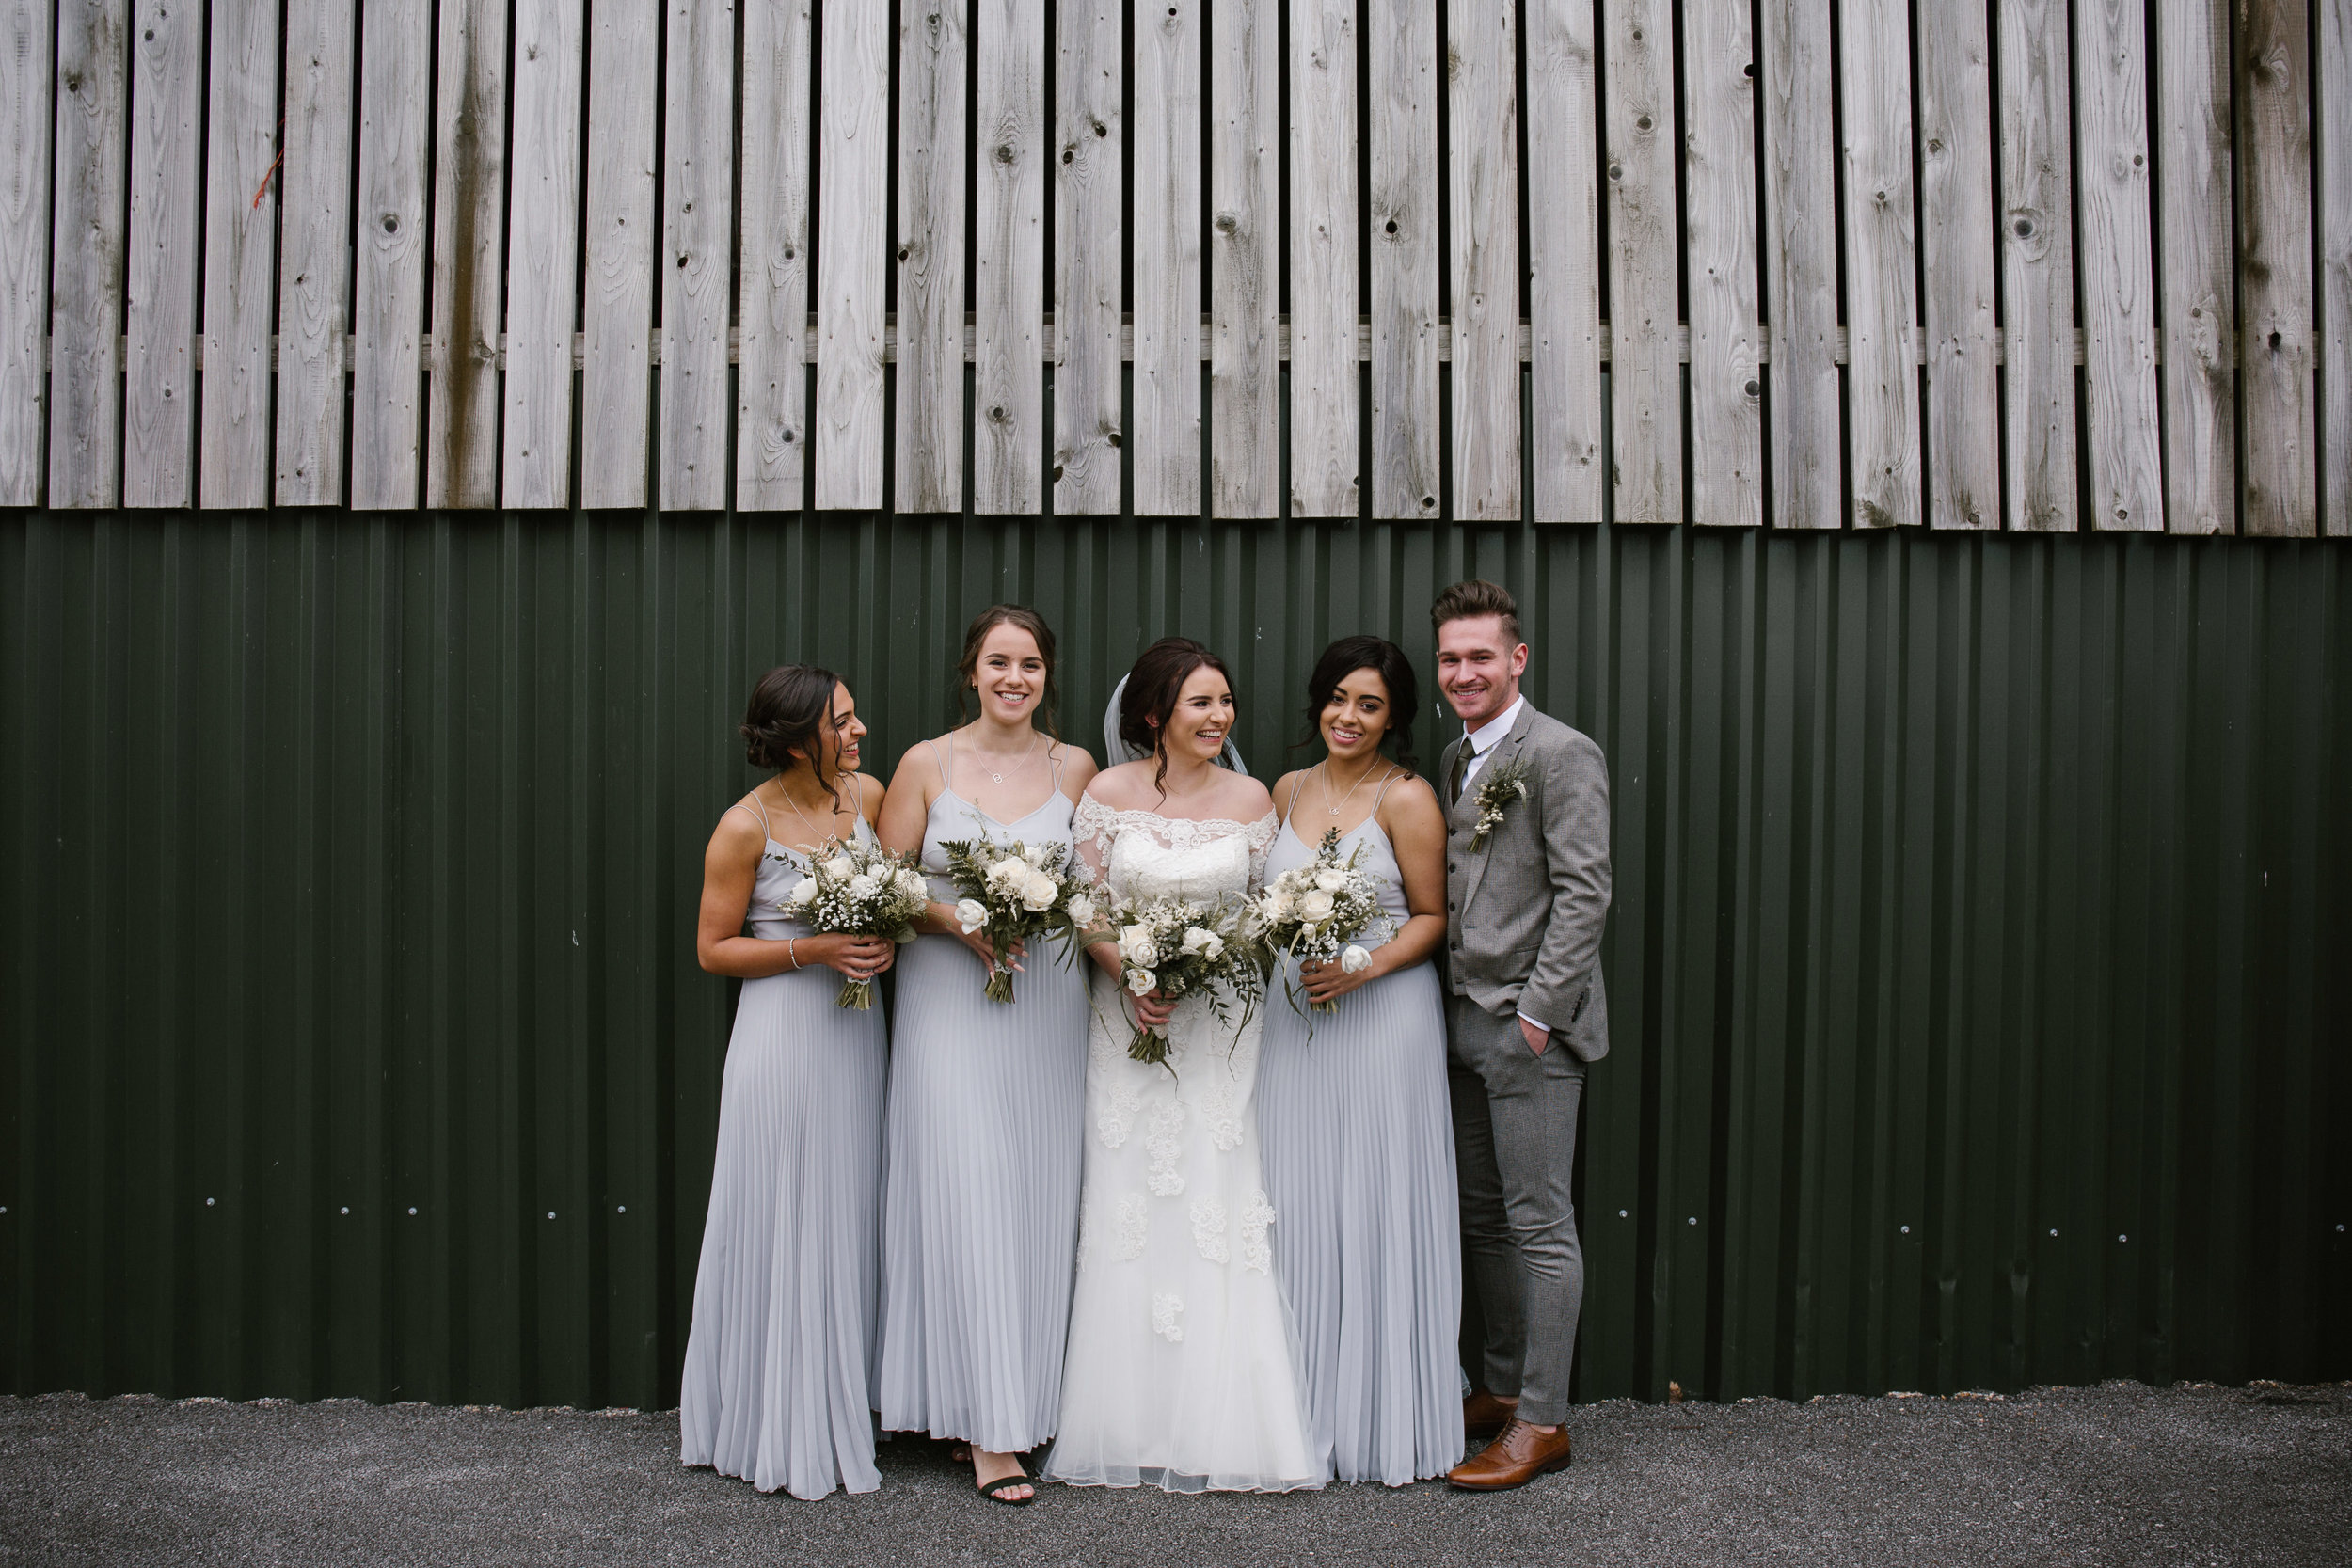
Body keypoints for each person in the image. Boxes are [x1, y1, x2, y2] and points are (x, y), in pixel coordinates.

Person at [1042, 638, 1324, 1493]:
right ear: (1156, 711)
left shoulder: (1252, 799)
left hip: (1220, 1032)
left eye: (1226, 702)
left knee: (1215, 1194)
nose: (1219, 717)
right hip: (1125, 1025)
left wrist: (1205, 963)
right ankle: (1124, 1418)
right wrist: (1127, 969)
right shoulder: (1106, 792)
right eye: (1201, 702)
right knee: (1128, 1199)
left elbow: (1261, 913)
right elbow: (1082, 903)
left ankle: (1226, 1420)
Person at [875, 607, 1097, 1506]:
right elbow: (886, 883)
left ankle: (1030, 1396)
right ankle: (983, 1423)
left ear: (1048, 674)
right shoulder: (927, 763)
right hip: (948, 1001)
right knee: (963, 1190)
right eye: (999, 662)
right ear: (971, 670)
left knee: (1036, 1194)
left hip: (1046, 1001)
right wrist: (958, 918)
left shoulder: (1075, 766)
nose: (1016, 677)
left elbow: (1092, 889)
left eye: (1031, 663)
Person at [679, 666, 898, 1499]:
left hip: (855, 1034)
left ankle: (845, 1396)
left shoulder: (867, 796)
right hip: (783, 1037)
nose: (859, 732)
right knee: (785, 1209)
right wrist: (815, 948)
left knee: (841, 1206)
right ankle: (777, 1414)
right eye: (843, 721)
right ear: (799, 734)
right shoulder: (744, 827)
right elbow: (713, 949)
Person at [1258, 636, 1463, 1484]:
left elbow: (1430, 915)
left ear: (1395, 717)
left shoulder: (1408, 798)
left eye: (1369, 704)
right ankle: (1295, 1404)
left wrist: (1362, 964)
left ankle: (1382, 1410)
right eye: (1338, 698)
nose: (1348, 716)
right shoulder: (1286, 788)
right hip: (1292, 1022)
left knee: (1374, 1194)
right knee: (1297, 1195)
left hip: (1382, 1017)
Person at [1429, 581, 1613, 1491]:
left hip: (1530, 1030)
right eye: (1452, 658)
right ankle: (1501, 1390)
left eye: (1481, 657)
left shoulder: (1562, 754)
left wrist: (1538, 1015)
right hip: (1465, 1025)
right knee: (1485, 1221)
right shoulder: (1456, 756)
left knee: (1540, 1224)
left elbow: (1586, 892)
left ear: (1517, 660)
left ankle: (1542, 1422)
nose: (1465, 672)